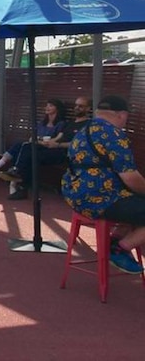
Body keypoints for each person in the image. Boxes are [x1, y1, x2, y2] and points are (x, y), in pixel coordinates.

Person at [62, 95, 145, 274]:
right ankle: (120, 248)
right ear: (122, 115)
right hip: (99, 198)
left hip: (75, 194)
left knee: (135, 202)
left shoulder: (83, 131)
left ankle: (114, 240)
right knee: (138, 197)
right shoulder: (114, 135)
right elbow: (130, 178)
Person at [0, 97, 67, 178]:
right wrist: (38, 141)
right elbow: (32, 137)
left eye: (51, 106)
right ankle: (4, 171)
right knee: (19, 146)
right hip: (37, 145)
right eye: (47, 105)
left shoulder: (61, 124)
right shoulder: (42, 123)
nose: (47, 107)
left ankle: (6, 170)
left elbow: (56, 139)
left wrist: (42, 141)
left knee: (23, 147)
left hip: (47, 150)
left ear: (57, 109)